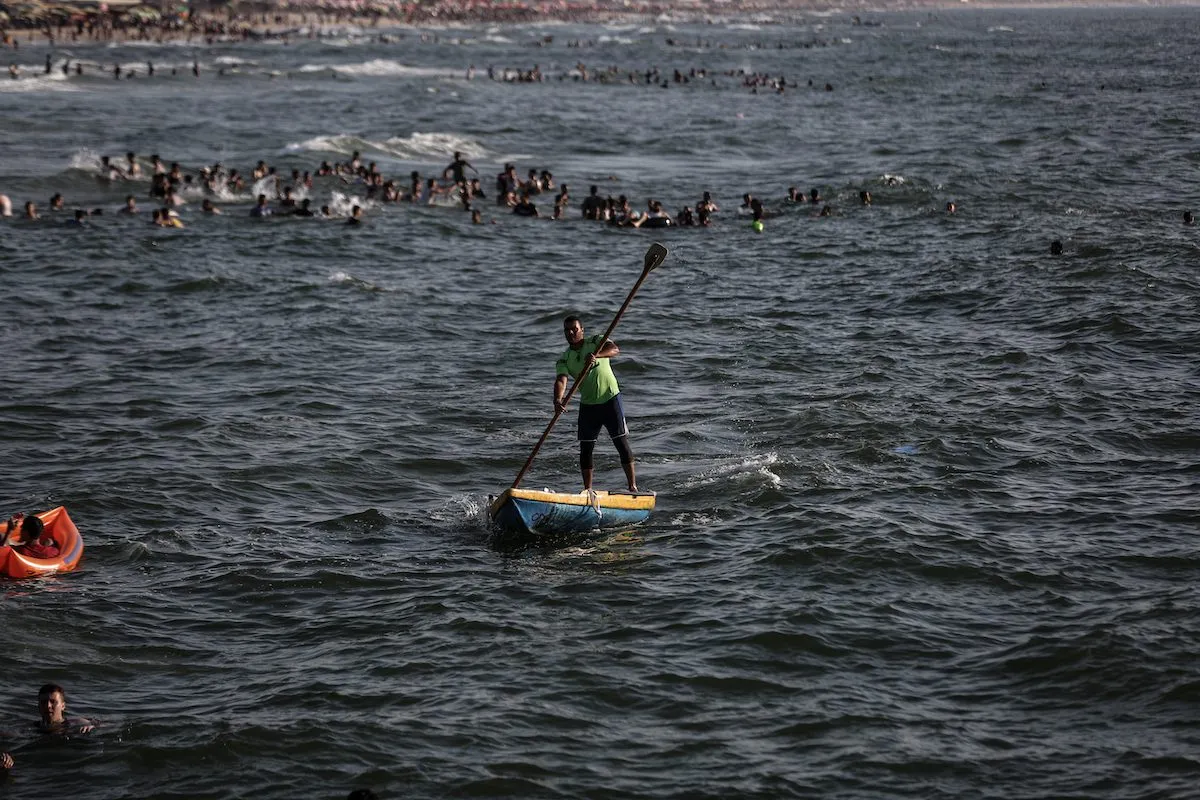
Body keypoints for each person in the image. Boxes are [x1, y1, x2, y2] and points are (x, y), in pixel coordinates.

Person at [554, 316, 638, 493]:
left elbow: (614, 349)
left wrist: (597, 355)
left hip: (610, 399)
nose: (571, 333)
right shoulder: (565, 358)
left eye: (574, 329)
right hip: (588, 405)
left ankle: (632, 487)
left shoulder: (596, 341)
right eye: (567, 330)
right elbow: (561, 380)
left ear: (582, 330)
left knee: (621, 442)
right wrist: (558, 400)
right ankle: (588, 490)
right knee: (585, 449)